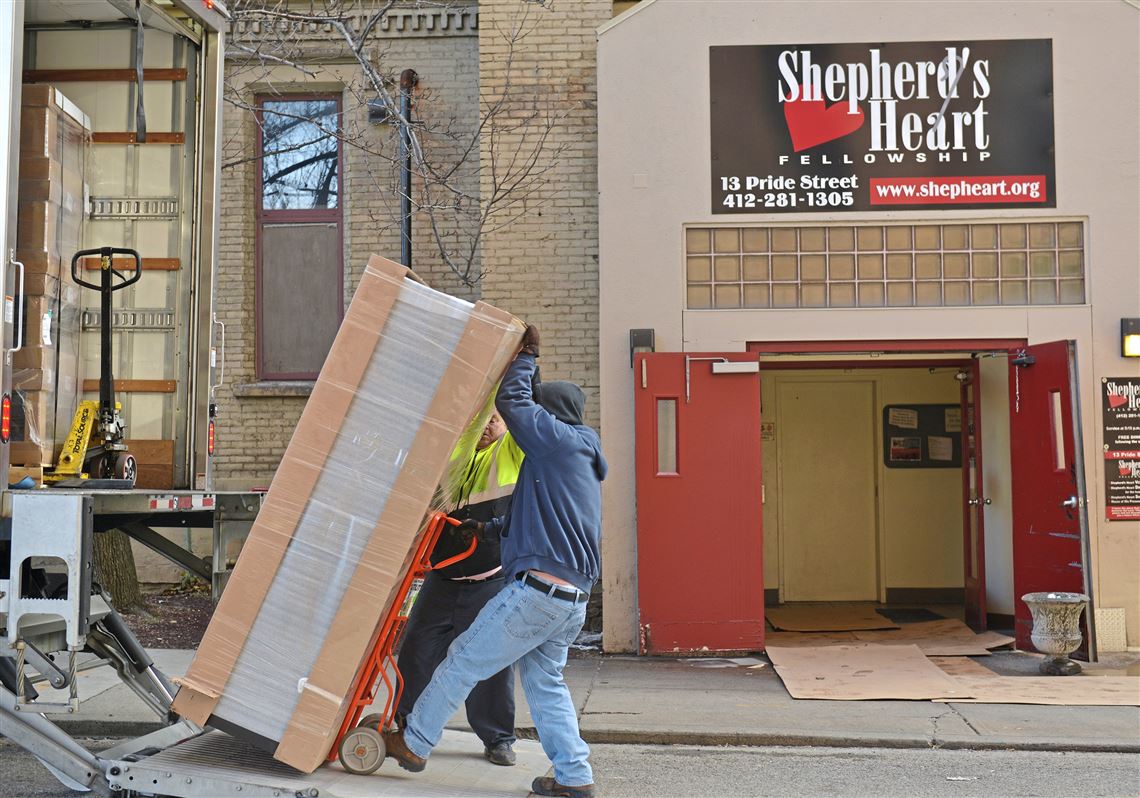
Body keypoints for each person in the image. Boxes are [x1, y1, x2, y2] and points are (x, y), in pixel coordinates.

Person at [382, 324, 607, 798]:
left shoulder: (556, 443)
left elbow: (514, 402)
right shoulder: (574, 462)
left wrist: (525, 355)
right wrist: (483, 531)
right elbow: (536, 522)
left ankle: (415, 742)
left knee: (462, 659)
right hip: (571, 598)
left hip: (538, 594)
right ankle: (574, 777)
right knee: (546, 685)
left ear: (553, 418)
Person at [395, 410, 523, 766]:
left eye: (495, 420)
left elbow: (518, 407)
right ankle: (407, 726)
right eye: (483, 419)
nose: (487, 427)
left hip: (489, 581)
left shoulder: (510, 453)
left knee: (490, 663)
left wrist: (517, 364)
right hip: (442, 579)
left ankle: (498, 738)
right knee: (417, 651)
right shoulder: (458, 454)